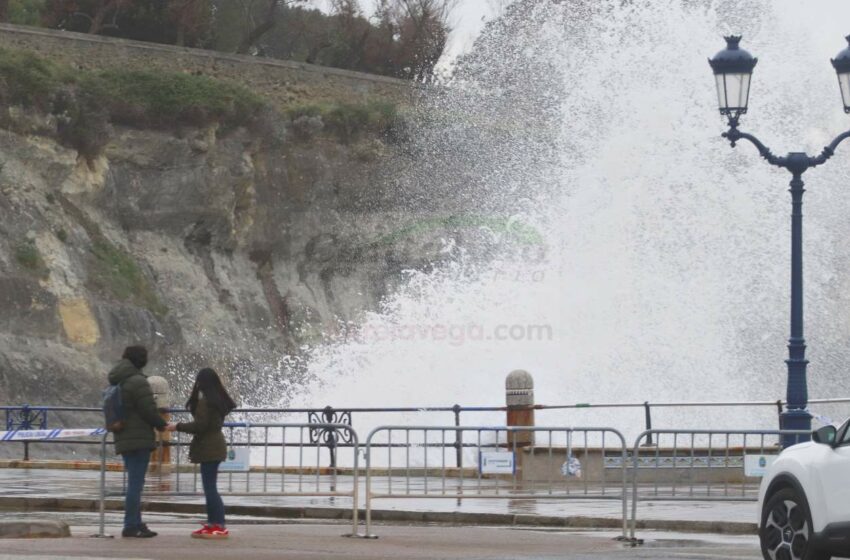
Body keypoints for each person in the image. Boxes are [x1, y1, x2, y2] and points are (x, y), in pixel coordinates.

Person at [166, 368, 236, 539]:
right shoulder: (218, 400)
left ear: (201, 382)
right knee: (209, 487)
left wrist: (177, 426)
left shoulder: (206, 402)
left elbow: (200, 426)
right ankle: (213, 523)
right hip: (215, 446)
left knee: (210, 488)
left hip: (209, 448)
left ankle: (218, 524)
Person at [107, 345, 167, 538]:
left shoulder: (119, 379)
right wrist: (161, 425)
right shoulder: (138, 381)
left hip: (124, 436)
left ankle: (137, 522)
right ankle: (131, 525)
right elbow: (148, 409)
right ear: (140, 360)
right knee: (135, 484)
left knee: (135, 482)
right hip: (138, 438)